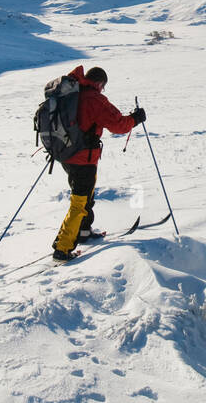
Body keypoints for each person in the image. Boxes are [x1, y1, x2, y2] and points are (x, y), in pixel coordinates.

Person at [52, 65, 145, 261]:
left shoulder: (74, 94)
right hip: (83, 158)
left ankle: (83, 231)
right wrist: (135, 119)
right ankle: (63, 247)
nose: (103, 90)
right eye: (103, 86)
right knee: (80, 201)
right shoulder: (94, 99)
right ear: (100, 83)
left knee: (86, 196)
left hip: (68, 155)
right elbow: (118, 124)